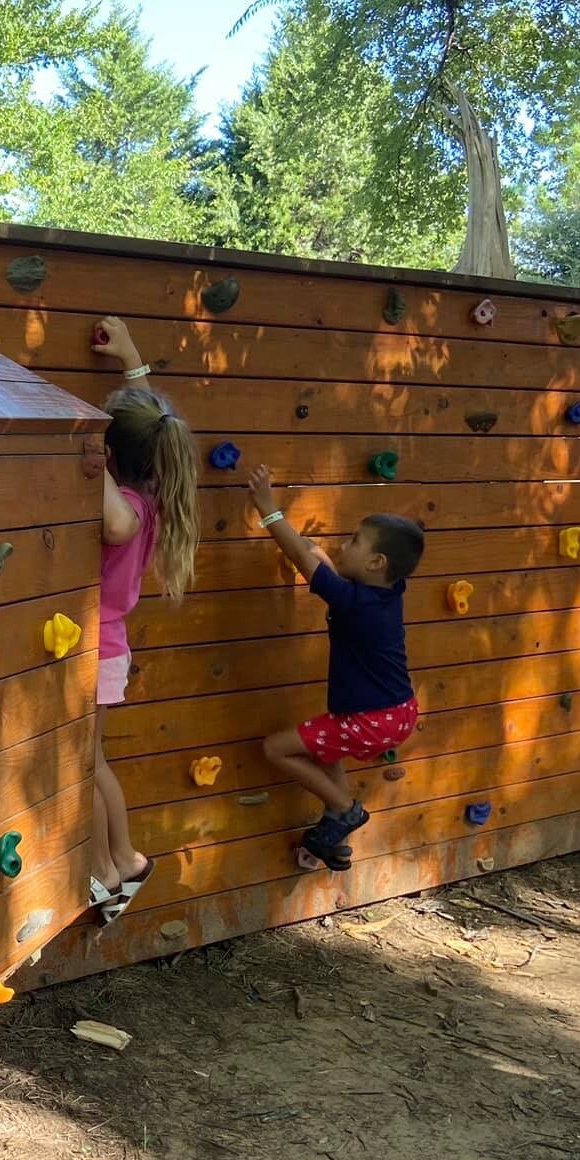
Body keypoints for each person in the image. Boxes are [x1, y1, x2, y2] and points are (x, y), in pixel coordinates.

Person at [244, 464, 425, 870]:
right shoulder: (387, 592)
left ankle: (344, 808)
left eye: (354, 541)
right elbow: (319, 562)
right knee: (326, 755)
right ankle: (336, 840)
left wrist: (268, 508)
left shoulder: (354, 603)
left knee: (275, 749)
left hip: (370, 719)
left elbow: (302, 557)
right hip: (396, 712)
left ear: (376, 562)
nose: (345, 544)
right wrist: (314, 551)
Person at [83, 316, 199, 920]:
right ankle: (123, 861)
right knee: (90, 761)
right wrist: (132, 360)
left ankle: (108, 869)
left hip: (98, 648)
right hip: (105, 646)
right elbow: (152, 420)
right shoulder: (154, 484)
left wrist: (88, 452)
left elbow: (116, 524)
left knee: (83, 765)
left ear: (111, 454)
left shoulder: (129, 505)